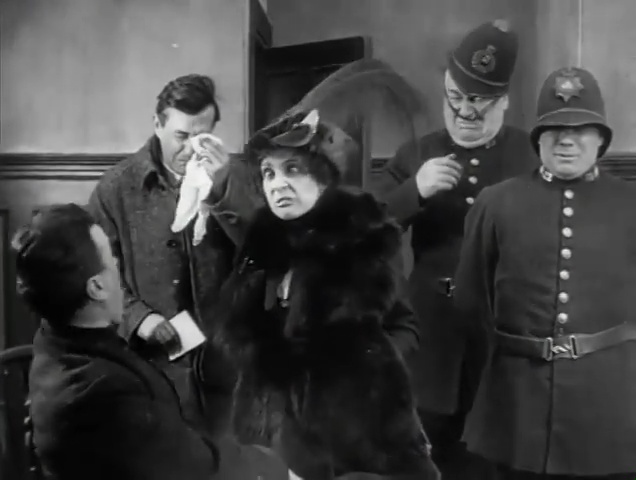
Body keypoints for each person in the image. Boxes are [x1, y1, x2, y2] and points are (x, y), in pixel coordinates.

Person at [206, 109, 440, 480]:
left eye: (292, 170)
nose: (277, 184)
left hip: (345, 437)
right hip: (266, 429)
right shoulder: (261, 244)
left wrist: (359, 375)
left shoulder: (362, 243)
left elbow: (404, 328)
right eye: (269, 173)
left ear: (323, 177)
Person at [454, 66, 636, 479]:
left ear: (602, 139)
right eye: (554, 130)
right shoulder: (495, 203)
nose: (566, 140)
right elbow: (471, 304)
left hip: (610, 409)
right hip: (517, 408)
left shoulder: (630, 205)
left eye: (581, 129)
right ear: (537, 138)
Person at [375, 19, 538, 478]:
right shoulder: (415, 154)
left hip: (501, 339)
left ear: (503, 100)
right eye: (456, 97)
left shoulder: (529, 156)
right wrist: (414, 190)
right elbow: (363, 226)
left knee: (490, 461)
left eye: (479, 101)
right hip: (430, 342)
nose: (465, 110)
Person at [14, 204, 218, 480]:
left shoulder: (52, 335)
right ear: (97, 287)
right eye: (111, 259)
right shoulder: (105, 395)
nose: (118, 264)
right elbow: (195, 468)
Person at [87, 74, 239, 433]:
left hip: (222, 363)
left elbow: (254, 251)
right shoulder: (116, 188)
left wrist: (224, 193)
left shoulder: (233, 179)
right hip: (150, 365)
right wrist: (139, 318)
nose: (190, 150)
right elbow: (96, 270)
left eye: (202, 138)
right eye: (181, 136)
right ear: (157, 124)